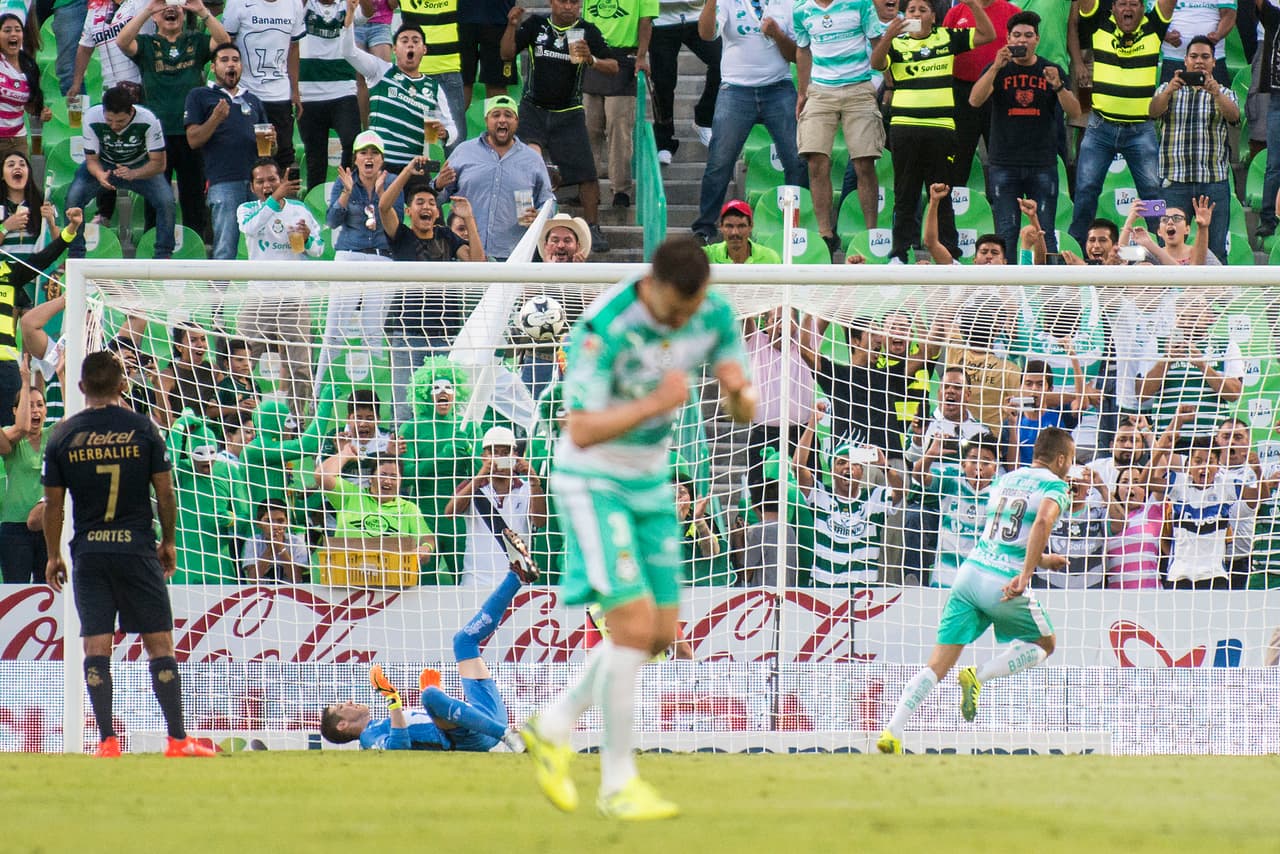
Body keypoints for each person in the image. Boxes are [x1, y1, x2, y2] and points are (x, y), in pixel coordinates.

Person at [523, 236, 755, 820]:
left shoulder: (713, 313)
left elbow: (739, 396)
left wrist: (740, 395)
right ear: (652, 286)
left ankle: (553, 723)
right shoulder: (604, 329)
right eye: (674, 313)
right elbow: (578, 430)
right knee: (628, 622)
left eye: (691, 312)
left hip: (652, 483)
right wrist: (655, 404)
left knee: (658, 633)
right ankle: (617, 783)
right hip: (594, 479)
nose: (683, 324)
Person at [43, 350, 216, 758]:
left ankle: (107, 742)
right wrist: (169, 541)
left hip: (90, 551)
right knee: (160, 643)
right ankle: (177, 739)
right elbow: (165, 490)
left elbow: (54, 505)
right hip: (136, 549)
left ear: (82, 387)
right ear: (124, 386)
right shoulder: (144, 429)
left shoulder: (62, 436)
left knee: (96, 646)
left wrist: (53, 555)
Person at [876, 426, 1075, 754]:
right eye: (1071, 461)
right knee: (1045, 643)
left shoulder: (1006, 480)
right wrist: (1026, 574)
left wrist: (1042, 559)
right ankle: (978, 677)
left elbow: (1005, 535)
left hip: (969, 574)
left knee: (936, 665)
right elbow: (1040, 523)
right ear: (1061, 459)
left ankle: (893, 730)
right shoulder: (1056, 485)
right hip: (1003, 582)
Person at [320, 570, 532, 750]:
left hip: (485, 719)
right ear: (342, 725)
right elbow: (398, 748)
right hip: (470, 738)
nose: (348, 702)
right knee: (429, 695)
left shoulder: (381, 723)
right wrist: (392, 698)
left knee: (463, 641)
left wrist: (438, 703)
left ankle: (516, 577)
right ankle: (510, 736)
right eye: (340, 707)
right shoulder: (368, 737)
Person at [871, 0, 995, 264]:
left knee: (941, 193)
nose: (916, 14)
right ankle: (899, 253)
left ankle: (949, 253)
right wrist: (889, 35)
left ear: (933, 17)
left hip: (941, 129)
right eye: (912, 10)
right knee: (905, 193)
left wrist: (972, 5)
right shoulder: (896, 42)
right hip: (904, 129)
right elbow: (876, 62)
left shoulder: (946, 37)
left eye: (922, 10)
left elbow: (988, 35)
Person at [689, 0, 805, 245]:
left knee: (796, 160)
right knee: (719, 161)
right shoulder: (727, 2)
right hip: (735, 89)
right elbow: (706, 34)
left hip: (778, 87)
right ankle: (705, 227)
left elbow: (796, 54)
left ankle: (797, 225)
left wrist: (777, 34)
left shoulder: (786, 3)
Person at [500, 4, 614, 252]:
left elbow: (613, 66)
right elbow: (506, 54)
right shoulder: (535, 25)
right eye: (563, 1)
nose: (569, 7)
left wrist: (591, 59)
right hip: (533, 110)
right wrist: (511, 26)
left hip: (569, 112)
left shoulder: (587, 31)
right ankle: (524, 224)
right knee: (525, 166)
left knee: (587, 172)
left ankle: (593, 226)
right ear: (552, 2)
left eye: (575, 2)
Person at [1067, 0, 1178, 250]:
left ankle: (1160, 252)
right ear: (1113, 8)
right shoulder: (1098, 24)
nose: (1128, 9)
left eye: (1134, 4)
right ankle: (1076, 250)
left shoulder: (1155, 27)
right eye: (1122, 4)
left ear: (1143, 8)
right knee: (1085, 190)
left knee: (1152, 194)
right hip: (1100, 127)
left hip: (1141, 129)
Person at [380, 157, 484, 420]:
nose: (427, 207)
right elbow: (383, 206)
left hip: (444, 330)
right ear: (409, 211)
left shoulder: (445, 236)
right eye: (420, 203)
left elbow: (478, 264)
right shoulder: (401, 236)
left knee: (443, 401)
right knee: (405, 403)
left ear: (437, 212)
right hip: (407, 330)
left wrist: (469, 219)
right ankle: (402, 458)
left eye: (431, 203)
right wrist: (407, 172)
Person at [969, 11, 1079, 255]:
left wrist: (1059, 86)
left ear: (1037, 39)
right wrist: (996, 67)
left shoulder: (1050, 69)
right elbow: (975, 100)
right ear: (1008, 39)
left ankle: (1049, 289)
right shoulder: (998, 69)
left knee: (1044, 231)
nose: (1022, 41)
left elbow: (1074, 111)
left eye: (1028, 35)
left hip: (1042, 163)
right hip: (1003, 163)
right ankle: (1006, 291)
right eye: (1017, 35)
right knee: (1006, 232)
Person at [794, 0, 896, 255]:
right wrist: (802, 92)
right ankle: (825, 233)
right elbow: (803, 50)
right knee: (816, 160)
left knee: (864, 163)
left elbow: (876, 43)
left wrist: (890, 84)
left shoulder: (860, 4)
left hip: (859, 87)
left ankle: (871, 234)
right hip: (820, 90)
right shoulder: (801, 9)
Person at [117, 0, 227, 237]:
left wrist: (201, 10)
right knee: (156, 197)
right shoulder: (147, 44)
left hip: (191, 133)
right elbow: (122, 41)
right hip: (156, 135)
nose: (170, 9)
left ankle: (194, 250)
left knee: (193, 198)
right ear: (156, 18)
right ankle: (153, 250)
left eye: (175, 5)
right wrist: (147, 10)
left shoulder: (195, 41)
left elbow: (224, 41)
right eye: (164, 6)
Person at [317, 129, 398, 396]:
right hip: (349, 254)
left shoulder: (393, 181)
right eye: (364, 152)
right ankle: (319, 395)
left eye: (375, 152)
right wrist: (346, 194)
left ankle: (376, 396)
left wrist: (382, 194)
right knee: (334, 330)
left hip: (382, 257)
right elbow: (331, 222)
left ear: (382, 159)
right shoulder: (345, 182)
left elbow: (395, 225)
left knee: (374, 332)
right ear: (356, 157)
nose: (369, 157)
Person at [434, 95, 559, 259]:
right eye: (496, 115)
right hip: (466, 254)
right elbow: (436, 199)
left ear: (517, 121)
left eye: (508, 115)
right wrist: (438, 185)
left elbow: (549, 201)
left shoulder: (532, 159)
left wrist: (540, 215)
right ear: (486, 120)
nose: (502, 120)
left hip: (513, 256)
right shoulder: (463, 152)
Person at [1148, 38, 1238, 262]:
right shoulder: (1167, 89)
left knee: (1216, 249)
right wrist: (1169, 90)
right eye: (1194, 56)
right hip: (1174, 183)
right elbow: (1152, 111)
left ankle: (1216, 297)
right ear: (1185, 60)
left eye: (1205, 57)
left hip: (1213, 182)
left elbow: (1235, 116)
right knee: (1168, 248)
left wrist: (1216, 93)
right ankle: (1171, 297)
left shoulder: (1224, 92)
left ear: (1214, 63)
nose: (1199, 62)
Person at [341, 0, 458, 173]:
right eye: (404, 40)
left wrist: (446, 133)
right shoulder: (380, 71)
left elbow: (452, 127)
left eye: (415, 41)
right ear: (395, 49)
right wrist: (350, 15)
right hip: (381, 167)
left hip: (414, 168)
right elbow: (348, 52)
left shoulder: (433, 88)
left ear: (424, 49)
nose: (410, 44)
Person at [66, 85, 174, 259]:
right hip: (105, 163)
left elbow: (159, 164)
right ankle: (75, 253)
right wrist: (100, 174)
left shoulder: (149, 120)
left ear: (131, 111)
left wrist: (134, 173)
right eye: (109, 121)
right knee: (74, 197)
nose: (114, 126)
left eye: (120, 121)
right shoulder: (92, 117)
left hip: (139, 165)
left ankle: (163, 254)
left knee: (166, 201)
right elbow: (92, 160)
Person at [185, 42, 271, 260]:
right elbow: (193, 140)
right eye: (224, 60)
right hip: (223, 182)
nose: (231, 65)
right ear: (213, 67)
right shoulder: (200, 95)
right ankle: (219, 294)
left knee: (263, 246)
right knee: (225, 247)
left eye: (235, 60)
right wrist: (215, 118)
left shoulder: (252, 100)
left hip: (258, 183)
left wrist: (273, 141)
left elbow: (267, 152)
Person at [0, 207, 82, 429]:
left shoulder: (7, 272)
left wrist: (70, 230)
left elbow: (44, 258)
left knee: (12, 434)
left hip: (5, 369)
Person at [446, 425, 547, 589]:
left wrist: (535, 481)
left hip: (516, 584)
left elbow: (540, 522)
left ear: (516, 456)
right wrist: (480, 476)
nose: (500, 457)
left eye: (506, 453)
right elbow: (449, 513)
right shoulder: (472, 487)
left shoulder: (527, 488)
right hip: (475, 582)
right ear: (483, 457)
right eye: (493, 453)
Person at [581, 0, 656, 209]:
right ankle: (588, 188)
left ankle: (621, 190)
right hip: (592, 57)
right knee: (589, 128)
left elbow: (646, 20)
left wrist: (641, 55)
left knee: (618, 127)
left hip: (623, 57)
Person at [942, 0, 1021, 189]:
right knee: (959, 155)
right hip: (962, 92)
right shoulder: (956, 12)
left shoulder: (1013, 12)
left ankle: (1004, 204)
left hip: (999, 92)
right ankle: (954, 209)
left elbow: (1022, 51)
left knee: (1001, 154)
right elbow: (943, 50)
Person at [222, 0, 305, 171]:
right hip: (245, 91)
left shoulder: (294, 4)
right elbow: (225, 44)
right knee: (245, 150)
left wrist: (295, 91)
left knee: (283, 153)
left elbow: (294, 47)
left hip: (279, 94)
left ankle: (280, 197)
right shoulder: (237, 3)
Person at [298, 0, 362, 190]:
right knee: (315, 158)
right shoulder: (303, 5)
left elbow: (367, 12)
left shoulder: (347, 5)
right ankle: (313, 205)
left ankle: (345, 191)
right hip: (309, 93)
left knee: (352, 141)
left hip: (343, 90)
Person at [650, 0, 719, 164]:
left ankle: (704, 118)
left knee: (722, 63)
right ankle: (664, 142)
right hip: (660, 21)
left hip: (697, 17)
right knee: (663, 83)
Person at [0, 358, 47, 582]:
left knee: (51, 594)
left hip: (48, 526)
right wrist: (26, 380)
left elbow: (73, 419)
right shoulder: (10, 438)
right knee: (15, 592)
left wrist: (63, 373)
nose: (35, 410)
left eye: (40, 405)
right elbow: (22, 427)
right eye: (29, 405)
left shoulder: (53, 436)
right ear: (15, 410)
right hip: (14, 530)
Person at [398, 0, 467, 149]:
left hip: (448, 73)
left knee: (455, 138)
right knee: (421, 140)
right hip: (416, 77)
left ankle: (455, 172)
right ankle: (423, 172)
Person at [237, 156, 325, 259]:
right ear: (252, 187)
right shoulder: (247, 208)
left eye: (272, 179)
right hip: (262, 273)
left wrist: (307, 240)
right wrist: (275, 198)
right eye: (260, 182)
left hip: (294, 273)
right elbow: (249, 229)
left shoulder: (300, 208)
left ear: (281, 181)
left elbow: (318, 250)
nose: (266, 185)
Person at [0, 13, 47, 159]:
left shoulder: (29, 66)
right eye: (7, 30)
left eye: (17, 30)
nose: (13, 34)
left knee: (20, 181)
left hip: (18, 139)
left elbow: (30, 106)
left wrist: (41, 112)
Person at [0, 151, 57, 270]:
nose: (17, 167)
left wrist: (51, 223)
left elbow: (58, 247)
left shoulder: (43, 203)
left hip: (35, 276)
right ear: (2, 175)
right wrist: (5, 227)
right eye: (11, 165)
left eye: (22, 164)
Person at [460, 0, 519, 110]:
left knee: (496, 85)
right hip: (460, 17)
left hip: (498, 17)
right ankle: (452, 127)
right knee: (461, 83)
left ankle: (499, 126)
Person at [1159, 0, 1234, 85]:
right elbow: (1151, 14)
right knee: (1169, 96)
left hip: (1212, 59)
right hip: (1172, 57)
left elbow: (1229, 13)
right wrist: (1165, 35)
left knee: (1217, 95)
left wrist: (1218, 35)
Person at [241, 499, 310, 582]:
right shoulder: (253, 542)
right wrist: (270, 548)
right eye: (268, 521)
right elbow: (253, 579)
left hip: (290, 592)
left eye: (280, 521)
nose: (275, 526)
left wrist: (281, 549)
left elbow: (297, 578)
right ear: (258, 523)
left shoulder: (296, 542)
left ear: (287, 523)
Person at [703, 199, 781, 264]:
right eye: (729, 226)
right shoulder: (706, 256)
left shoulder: (770, 258)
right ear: (721, 227)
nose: (735, 232)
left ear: (751, 226)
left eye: (741, 226)